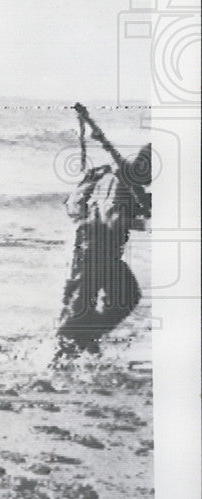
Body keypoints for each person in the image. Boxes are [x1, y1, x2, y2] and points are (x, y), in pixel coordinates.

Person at [55, 137, 152, 360]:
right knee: (84, 307)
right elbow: (113, 219)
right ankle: (58, 358)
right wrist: (145, 222)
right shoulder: (120, 182)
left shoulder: (119, 178)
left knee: (124, 296)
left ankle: (85, 340)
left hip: (98, 250)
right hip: (94, 250)